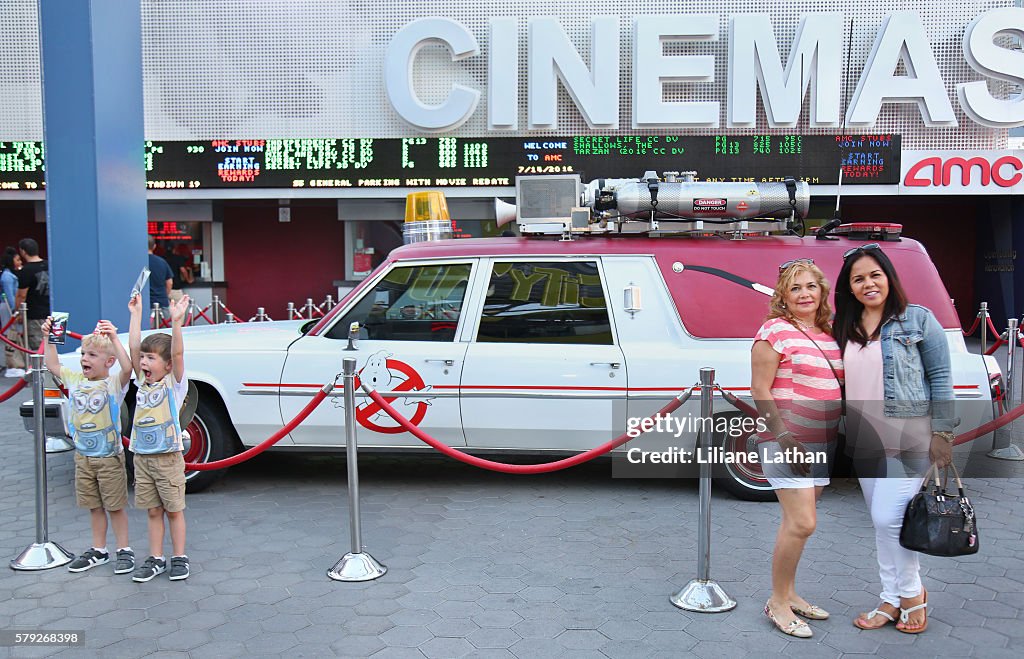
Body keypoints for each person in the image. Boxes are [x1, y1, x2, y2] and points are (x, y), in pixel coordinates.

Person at [833, 243, 954, 635]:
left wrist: (943, 433)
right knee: (881, 520)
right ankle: (890, 597)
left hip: (909, 436)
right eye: (858, 279)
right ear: (849, 288)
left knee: (889, 519)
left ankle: (912, 594)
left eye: (874, 275)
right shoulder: (844, 327)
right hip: (864, 440)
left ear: (888, 278)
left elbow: (940, 377)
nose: (868, 283)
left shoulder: (917, 320)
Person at [751, 259, 843, 639]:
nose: (804, 294)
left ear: (821, 291)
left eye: (811, 286)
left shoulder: (827, 332)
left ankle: (790, 593)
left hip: (822, 439)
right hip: (787, 440)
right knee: (804, 522)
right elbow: (760, 390)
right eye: (795, 288)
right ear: (783, 297)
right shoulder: (773, 332)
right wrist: (785, 438)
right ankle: (776, 601)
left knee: (796, 526)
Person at [41, 317, 135, 575]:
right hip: (83, 458)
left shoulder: (114, 384)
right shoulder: (75, 380)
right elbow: (52, 364)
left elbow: (128, 369)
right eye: (84, 353)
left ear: (109, 361)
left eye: (92, 354)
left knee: (115, 506)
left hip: (108, 458)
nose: (85, 358)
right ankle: (99, 549)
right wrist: (50, 337)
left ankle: (124, 549)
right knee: (94, 505)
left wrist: (115, 339)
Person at [128, 293, 191, 582]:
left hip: (168, 459)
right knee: (153, 510)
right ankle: (155, 557)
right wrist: (136, 314)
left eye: (150, 358)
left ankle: (179, 556)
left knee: (174, 510)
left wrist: (176, 322)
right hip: (143, 459)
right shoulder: (142, 383)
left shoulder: (174, 386)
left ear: (166, 365)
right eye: (143, 357)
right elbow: (131, 348)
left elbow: (177, 354)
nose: (143, 362)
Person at [16, 238, 48, 351]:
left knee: (38, 349)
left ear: (23, 251)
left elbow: (21, 295)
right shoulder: (50, 265)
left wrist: (18, 312)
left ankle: (42, 369)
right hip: (56, 314)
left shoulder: (26, 270)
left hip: (35, 316)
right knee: (56, 345)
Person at [2, 247, 25, 376]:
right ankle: (12, 363)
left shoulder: (10, 274)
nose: (20, 261)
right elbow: (10, 296)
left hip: (11, 307)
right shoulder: (7, 277)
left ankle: (16, 362)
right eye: (17, 259)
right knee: (10, 334)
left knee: (14, 334)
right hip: (8, 308)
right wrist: (15, 311)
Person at [147, 237, 174, 320]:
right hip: (162, 302)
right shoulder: (162, 262)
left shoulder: (138, 262)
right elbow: (169, 282)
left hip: (145, 305)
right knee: (165, 331)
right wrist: (165, 295)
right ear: (154, 246)